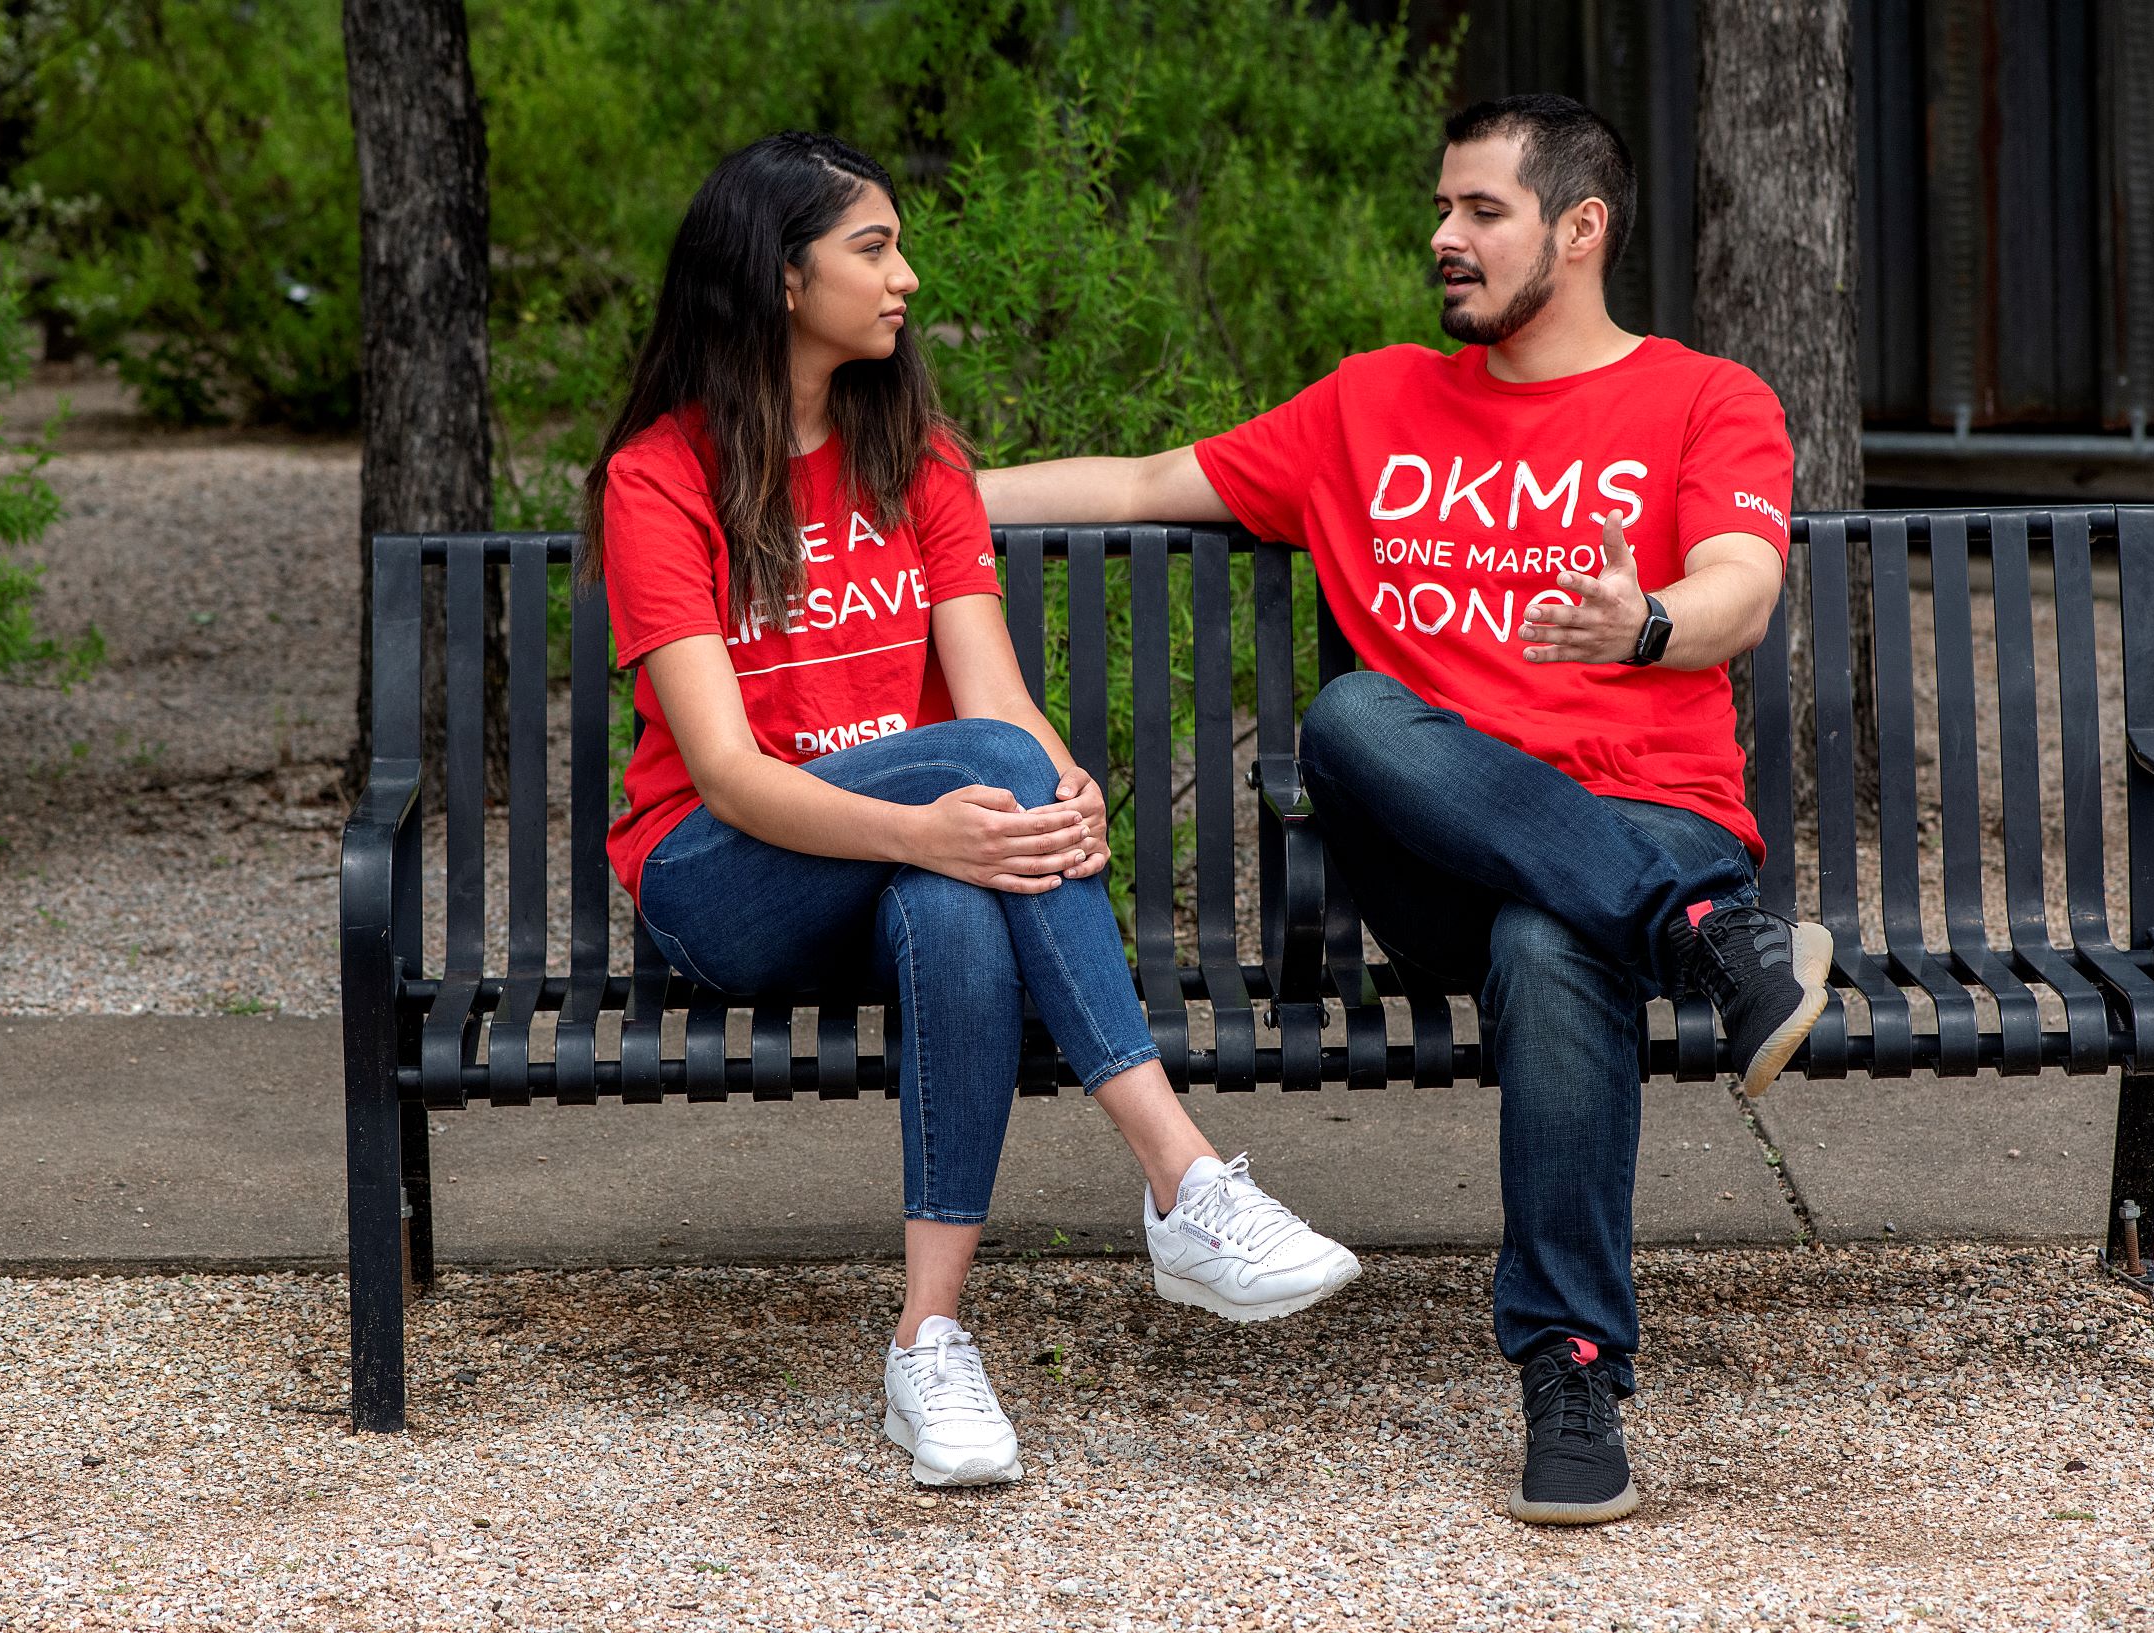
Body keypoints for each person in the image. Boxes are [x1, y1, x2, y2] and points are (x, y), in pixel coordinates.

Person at [978, 94, 1834, 1525]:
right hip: (1446, 863)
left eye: (1482, 211)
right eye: (1442, 207)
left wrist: (1640, 624)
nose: (1445, 235)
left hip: (1650, 808)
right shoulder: (1369, 403)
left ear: (1579, 228)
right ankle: (1701, 937)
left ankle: (1569, 1370)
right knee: (1354, 715)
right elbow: (1143, 479)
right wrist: (922, 495)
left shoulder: (1706, 398)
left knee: (1551, 940)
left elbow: (1739, 590)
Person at [585, 133, 1360, 1489]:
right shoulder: (662, 478)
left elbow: (995, 697)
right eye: (874, 249)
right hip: (724, 879)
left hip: (898, 863)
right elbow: (726, 772)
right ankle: (1181, 1177)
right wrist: (949, 812)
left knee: (958, 899)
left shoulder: (916, 460)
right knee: (972, 803)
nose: (906, 278)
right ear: (780, 277)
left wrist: (1058, 794)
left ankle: (928, 1342)